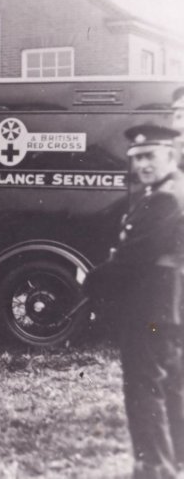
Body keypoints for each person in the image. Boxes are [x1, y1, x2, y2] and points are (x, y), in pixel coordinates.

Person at [84, 122, 184, 478]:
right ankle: (172, 462)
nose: (142, 164)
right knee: (169, 387)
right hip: (167, 306)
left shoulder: (164, 198)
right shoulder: (172, 190)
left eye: (149, 156)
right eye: (137, 157)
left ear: (169, 155)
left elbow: (132, 258)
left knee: (145, 390)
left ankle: (155, 469)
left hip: (149, 308)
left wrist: (90, 280)